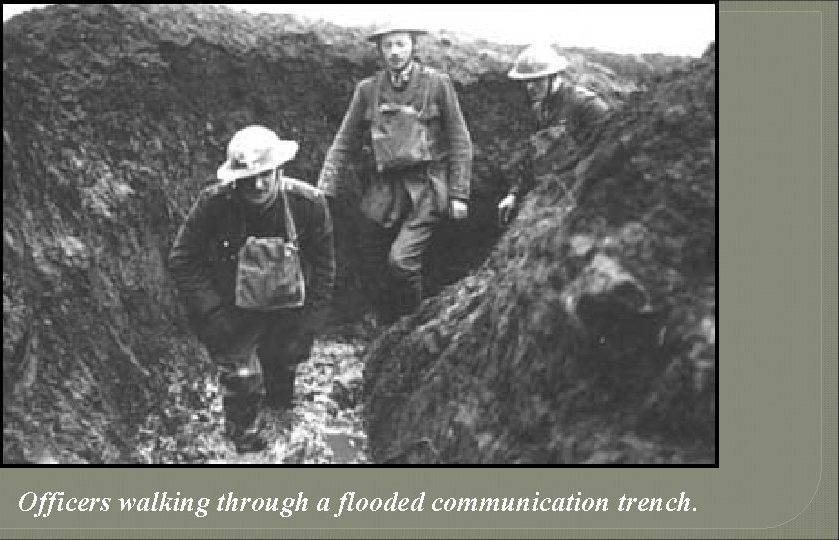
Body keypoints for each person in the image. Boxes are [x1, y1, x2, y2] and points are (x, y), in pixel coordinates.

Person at [168, 125, 335, 452]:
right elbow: (182, 259)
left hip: (288, 311)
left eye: (266, 175)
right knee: (243, 381)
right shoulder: (214, 205)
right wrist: (213, 314)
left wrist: (308, 327)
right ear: (234, 179)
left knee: (280, 380)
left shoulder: (308, 205)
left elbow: (326, 268)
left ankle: (283, 447)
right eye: (248, 178)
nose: (258, 185)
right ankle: (240, 448)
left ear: (279, 171)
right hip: (233, 312)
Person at [318, 24, 473, 323]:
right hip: (386, 188)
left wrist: (459, 193)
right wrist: (326, 185)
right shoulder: (368, 90)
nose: (394, 52)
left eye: (400, 44)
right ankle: (384, 320)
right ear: (379, 50)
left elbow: (459, 139)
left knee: (401, 262)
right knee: (369, 249)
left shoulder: (437, 84)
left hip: (427, 186)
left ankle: (412, 326)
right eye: (387, 46)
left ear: (413, 46)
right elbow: (345, 140)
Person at [498, 43, 614, 225]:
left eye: (537, 80)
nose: (530, 87)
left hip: (580, 197)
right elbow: (533, 157)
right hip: (549, 192)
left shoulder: (586, 105)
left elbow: (609, 154)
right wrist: (513, 194)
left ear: (554, 76)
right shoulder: (540, 109)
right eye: (526, 81)